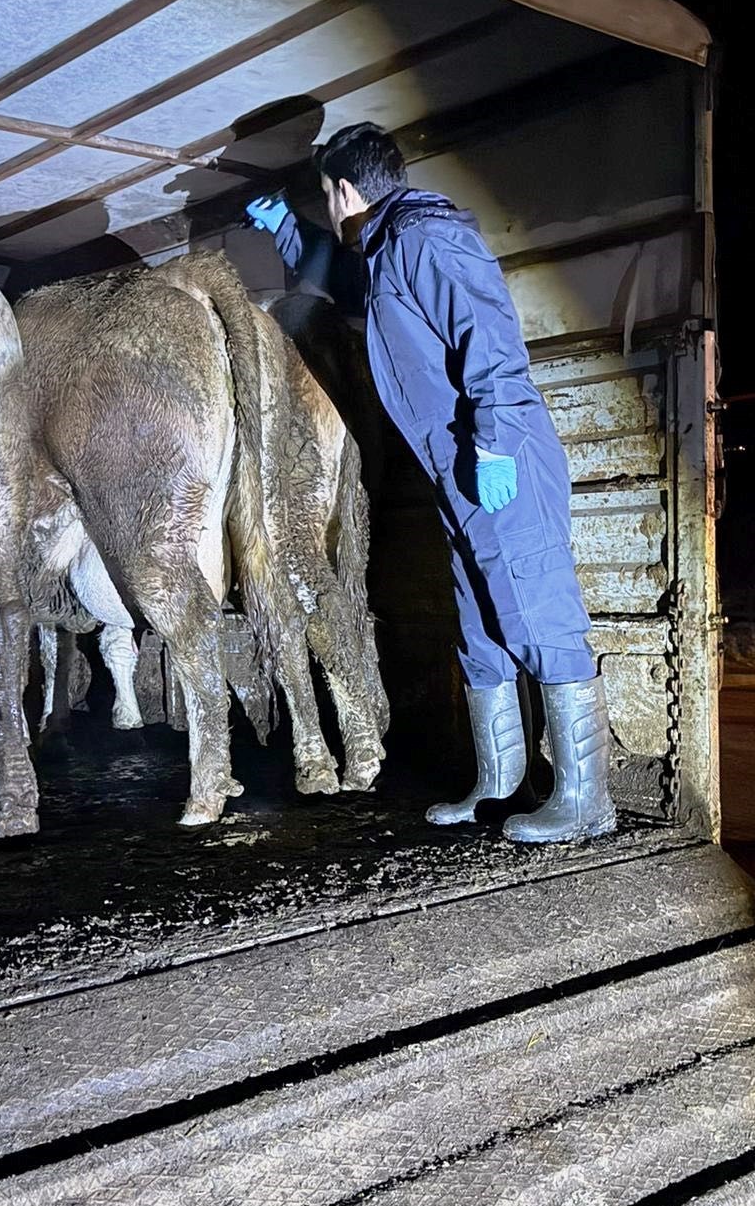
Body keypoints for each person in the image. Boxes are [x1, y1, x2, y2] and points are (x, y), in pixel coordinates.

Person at [245, 122, 615, 843]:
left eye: (323, 198)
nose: (327, 209)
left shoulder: (428, 239)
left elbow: (492, 341)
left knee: (536, 607)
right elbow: (346, 282)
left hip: (496, 454)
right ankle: (499, 787)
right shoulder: (386, 249)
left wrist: (496, 445)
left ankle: (586, 798)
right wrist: (287, 229)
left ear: (344, 190)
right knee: (480, 626)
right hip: (457, 467)